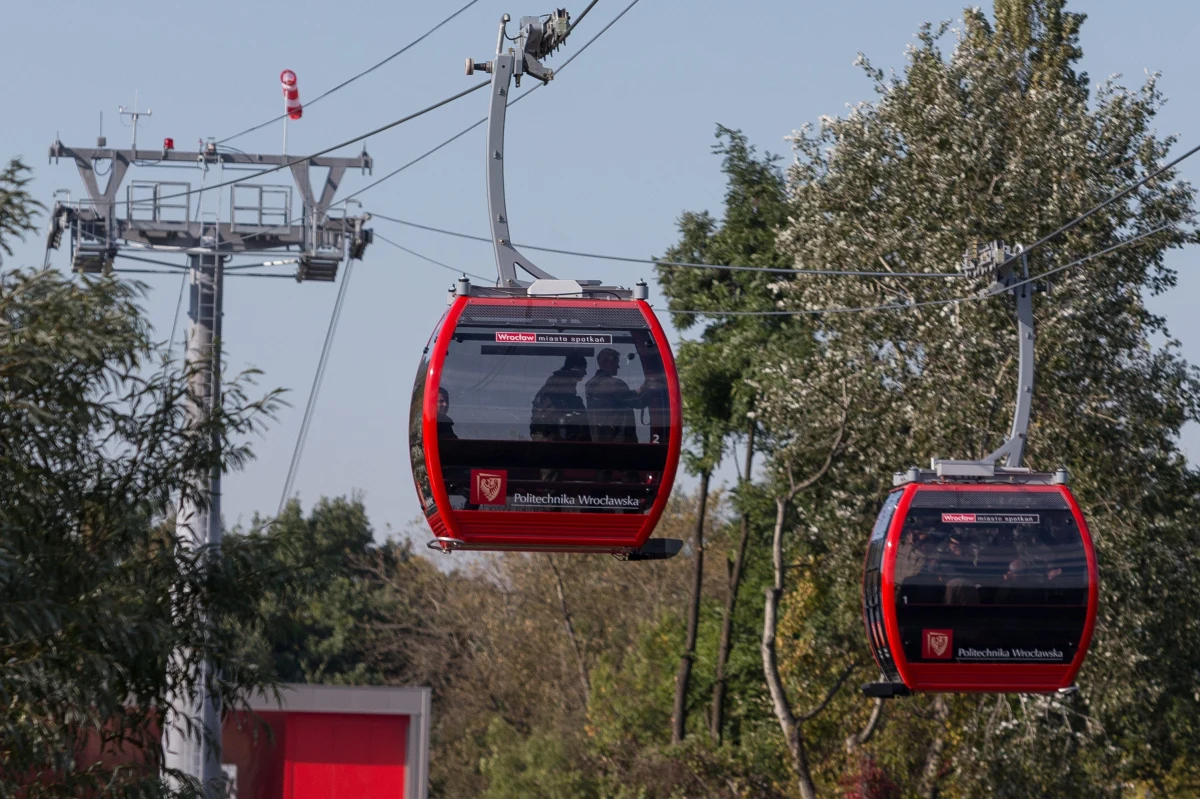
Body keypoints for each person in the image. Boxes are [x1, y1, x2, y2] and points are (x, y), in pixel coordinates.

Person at [585, 348, 650, 445]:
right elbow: (638, 402)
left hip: (598, 439)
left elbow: (617, 398)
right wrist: (651, 392)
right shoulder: (615, 384)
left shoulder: (590, 384)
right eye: (617, 362)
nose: (618, 367)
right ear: (609, 363)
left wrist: (639, 391)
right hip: (619, 441)